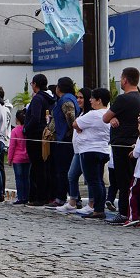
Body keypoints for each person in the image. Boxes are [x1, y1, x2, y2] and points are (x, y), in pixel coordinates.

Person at [102, 67, 140, 225]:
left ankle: (124, 212)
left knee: (123, 181)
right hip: (133, 143)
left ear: (125, 80)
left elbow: (105, 117)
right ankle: (133, 212)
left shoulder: (123, 99)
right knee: (130, 179)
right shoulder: (139, 97)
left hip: (122, 144)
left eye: (121, 77)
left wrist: (112, 118)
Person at [73, 88, 111, 220]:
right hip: (103, 149)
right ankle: (98, 207)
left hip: (90, 150)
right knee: (99, 181)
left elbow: (75, 124)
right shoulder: (108, 113)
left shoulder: (93, 114)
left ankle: (98, 209)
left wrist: (80, 129)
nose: (90, 100)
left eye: (92, 98)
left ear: (99, 100)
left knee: (93, 181)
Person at [56, 88, 92, 214]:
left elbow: (75, 125)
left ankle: (92, 204)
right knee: (71, 175)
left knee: (91, 177)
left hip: (87, 149)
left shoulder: (90, 114)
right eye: (78, 97)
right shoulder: (82, 113)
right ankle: (73, 201)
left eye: (81, 97)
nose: (78, 100)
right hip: (78, 150)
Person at [46, 77, 80, 208]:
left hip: (65, 140)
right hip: (63, 138)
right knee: (63, 170)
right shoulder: (68, 98)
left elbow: (71, 119)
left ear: (59, 88)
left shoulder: (66, 100)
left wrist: (69, 133)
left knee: (63, 171)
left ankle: (63, 198)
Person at [8, 110, 29, 204]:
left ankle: (20, 197)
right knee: (26, 178)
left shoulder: (15, 130)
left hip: (17, 158)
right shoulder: (28, 129)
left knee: (19, 178)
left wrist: (9, 158)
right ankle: (27, 196)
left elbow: (12, 146)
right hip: (27, 157)